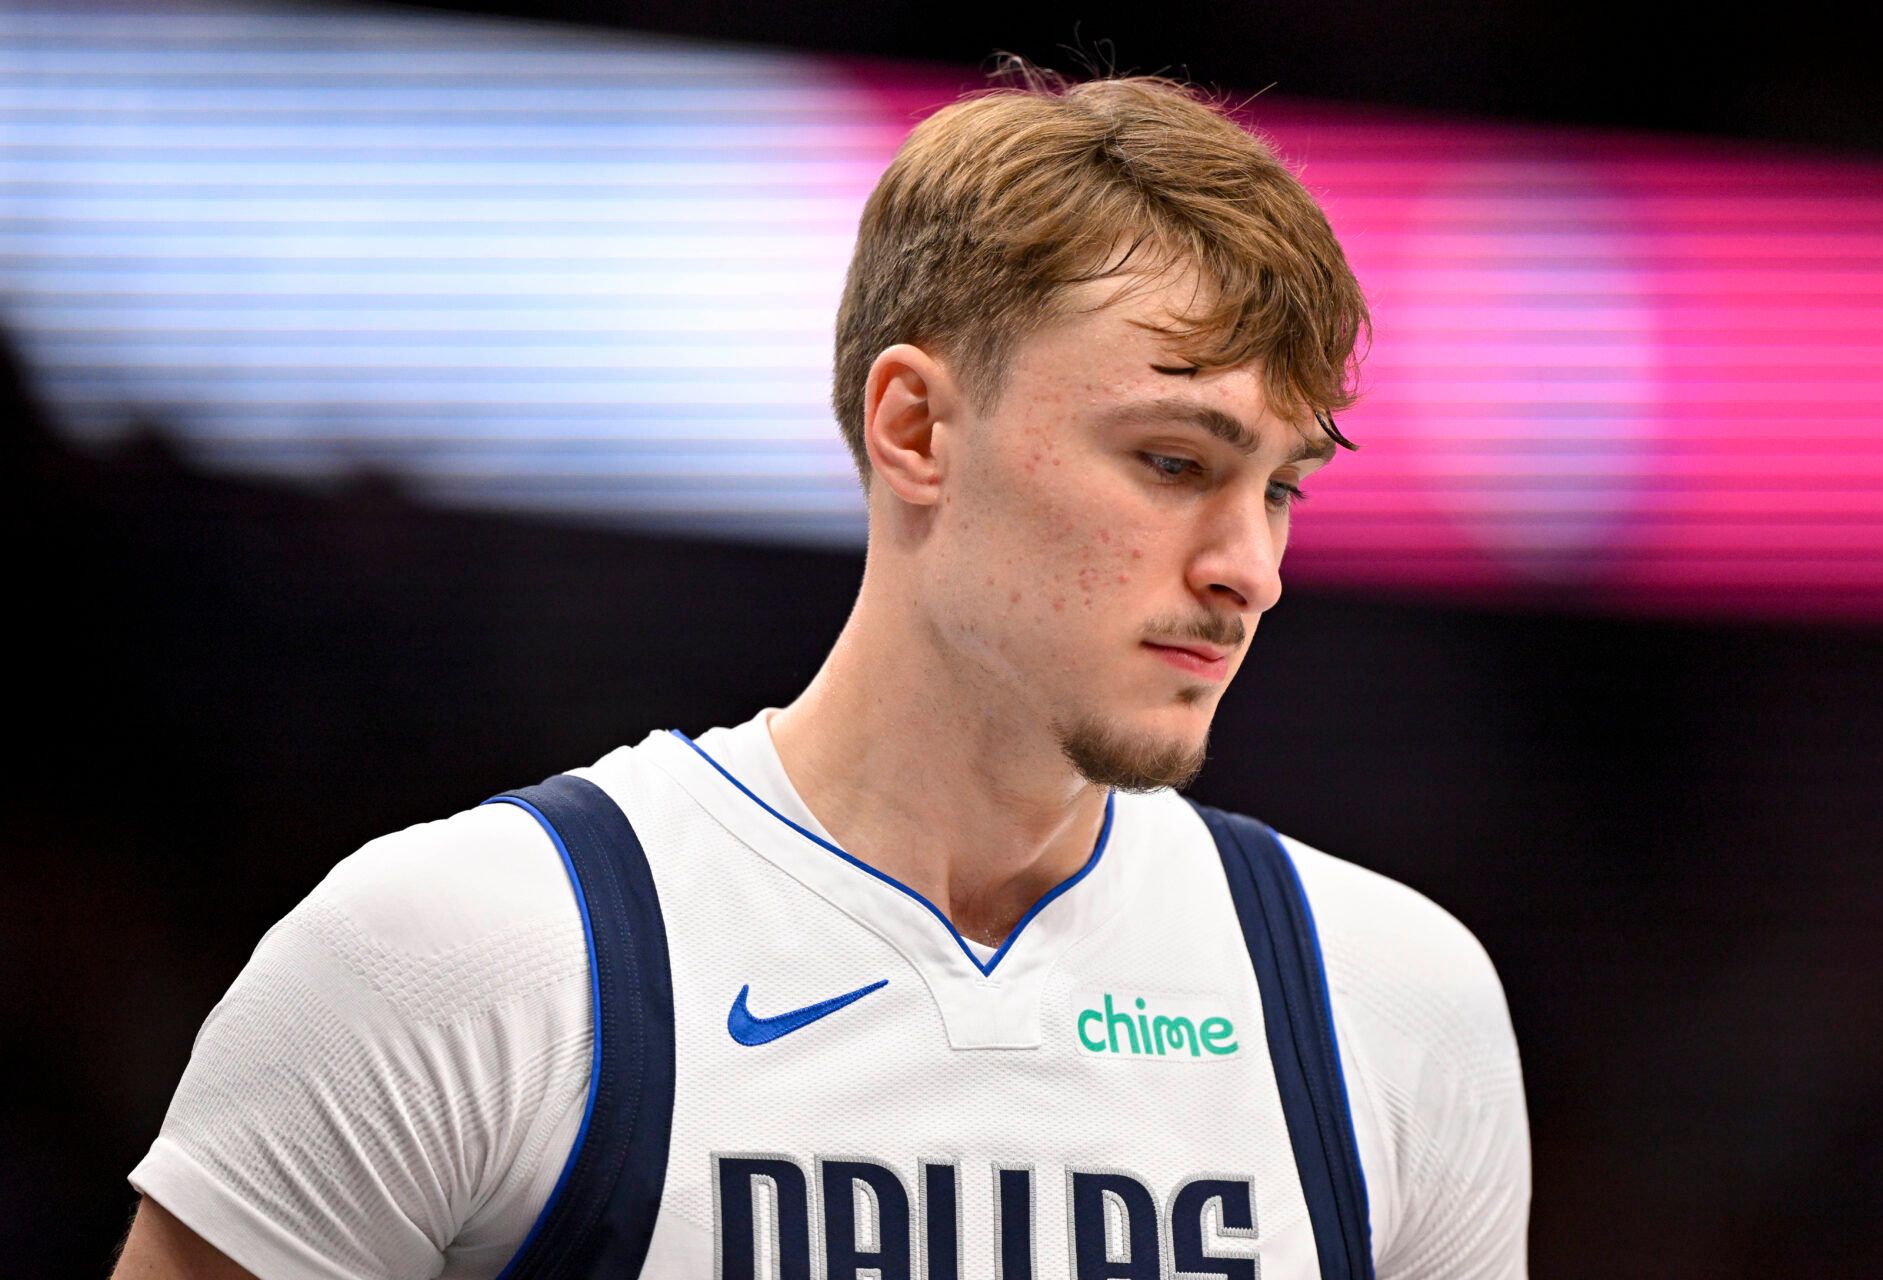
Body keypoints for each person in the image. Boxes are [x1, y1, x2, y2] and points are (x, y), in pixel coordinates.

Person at [113, 65, 1529, 1279]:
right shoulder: (472, 953)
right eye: (1175, 463)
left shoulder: (1389, 1005)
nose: (1248, 568)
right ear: (914, 426)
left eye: (1279, 489)